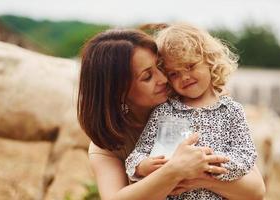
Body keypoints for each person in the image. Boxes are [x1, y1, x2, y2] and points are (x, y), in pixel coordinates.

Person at [77, 28, 266, 200]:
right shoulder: (109, 144)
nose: (163, 78)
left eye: (160, 67)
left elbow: (255, 190)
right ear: (118, 91)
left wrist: (200, 176)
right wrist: (175, 170)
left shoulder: (211, 108)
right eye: (147, 76)